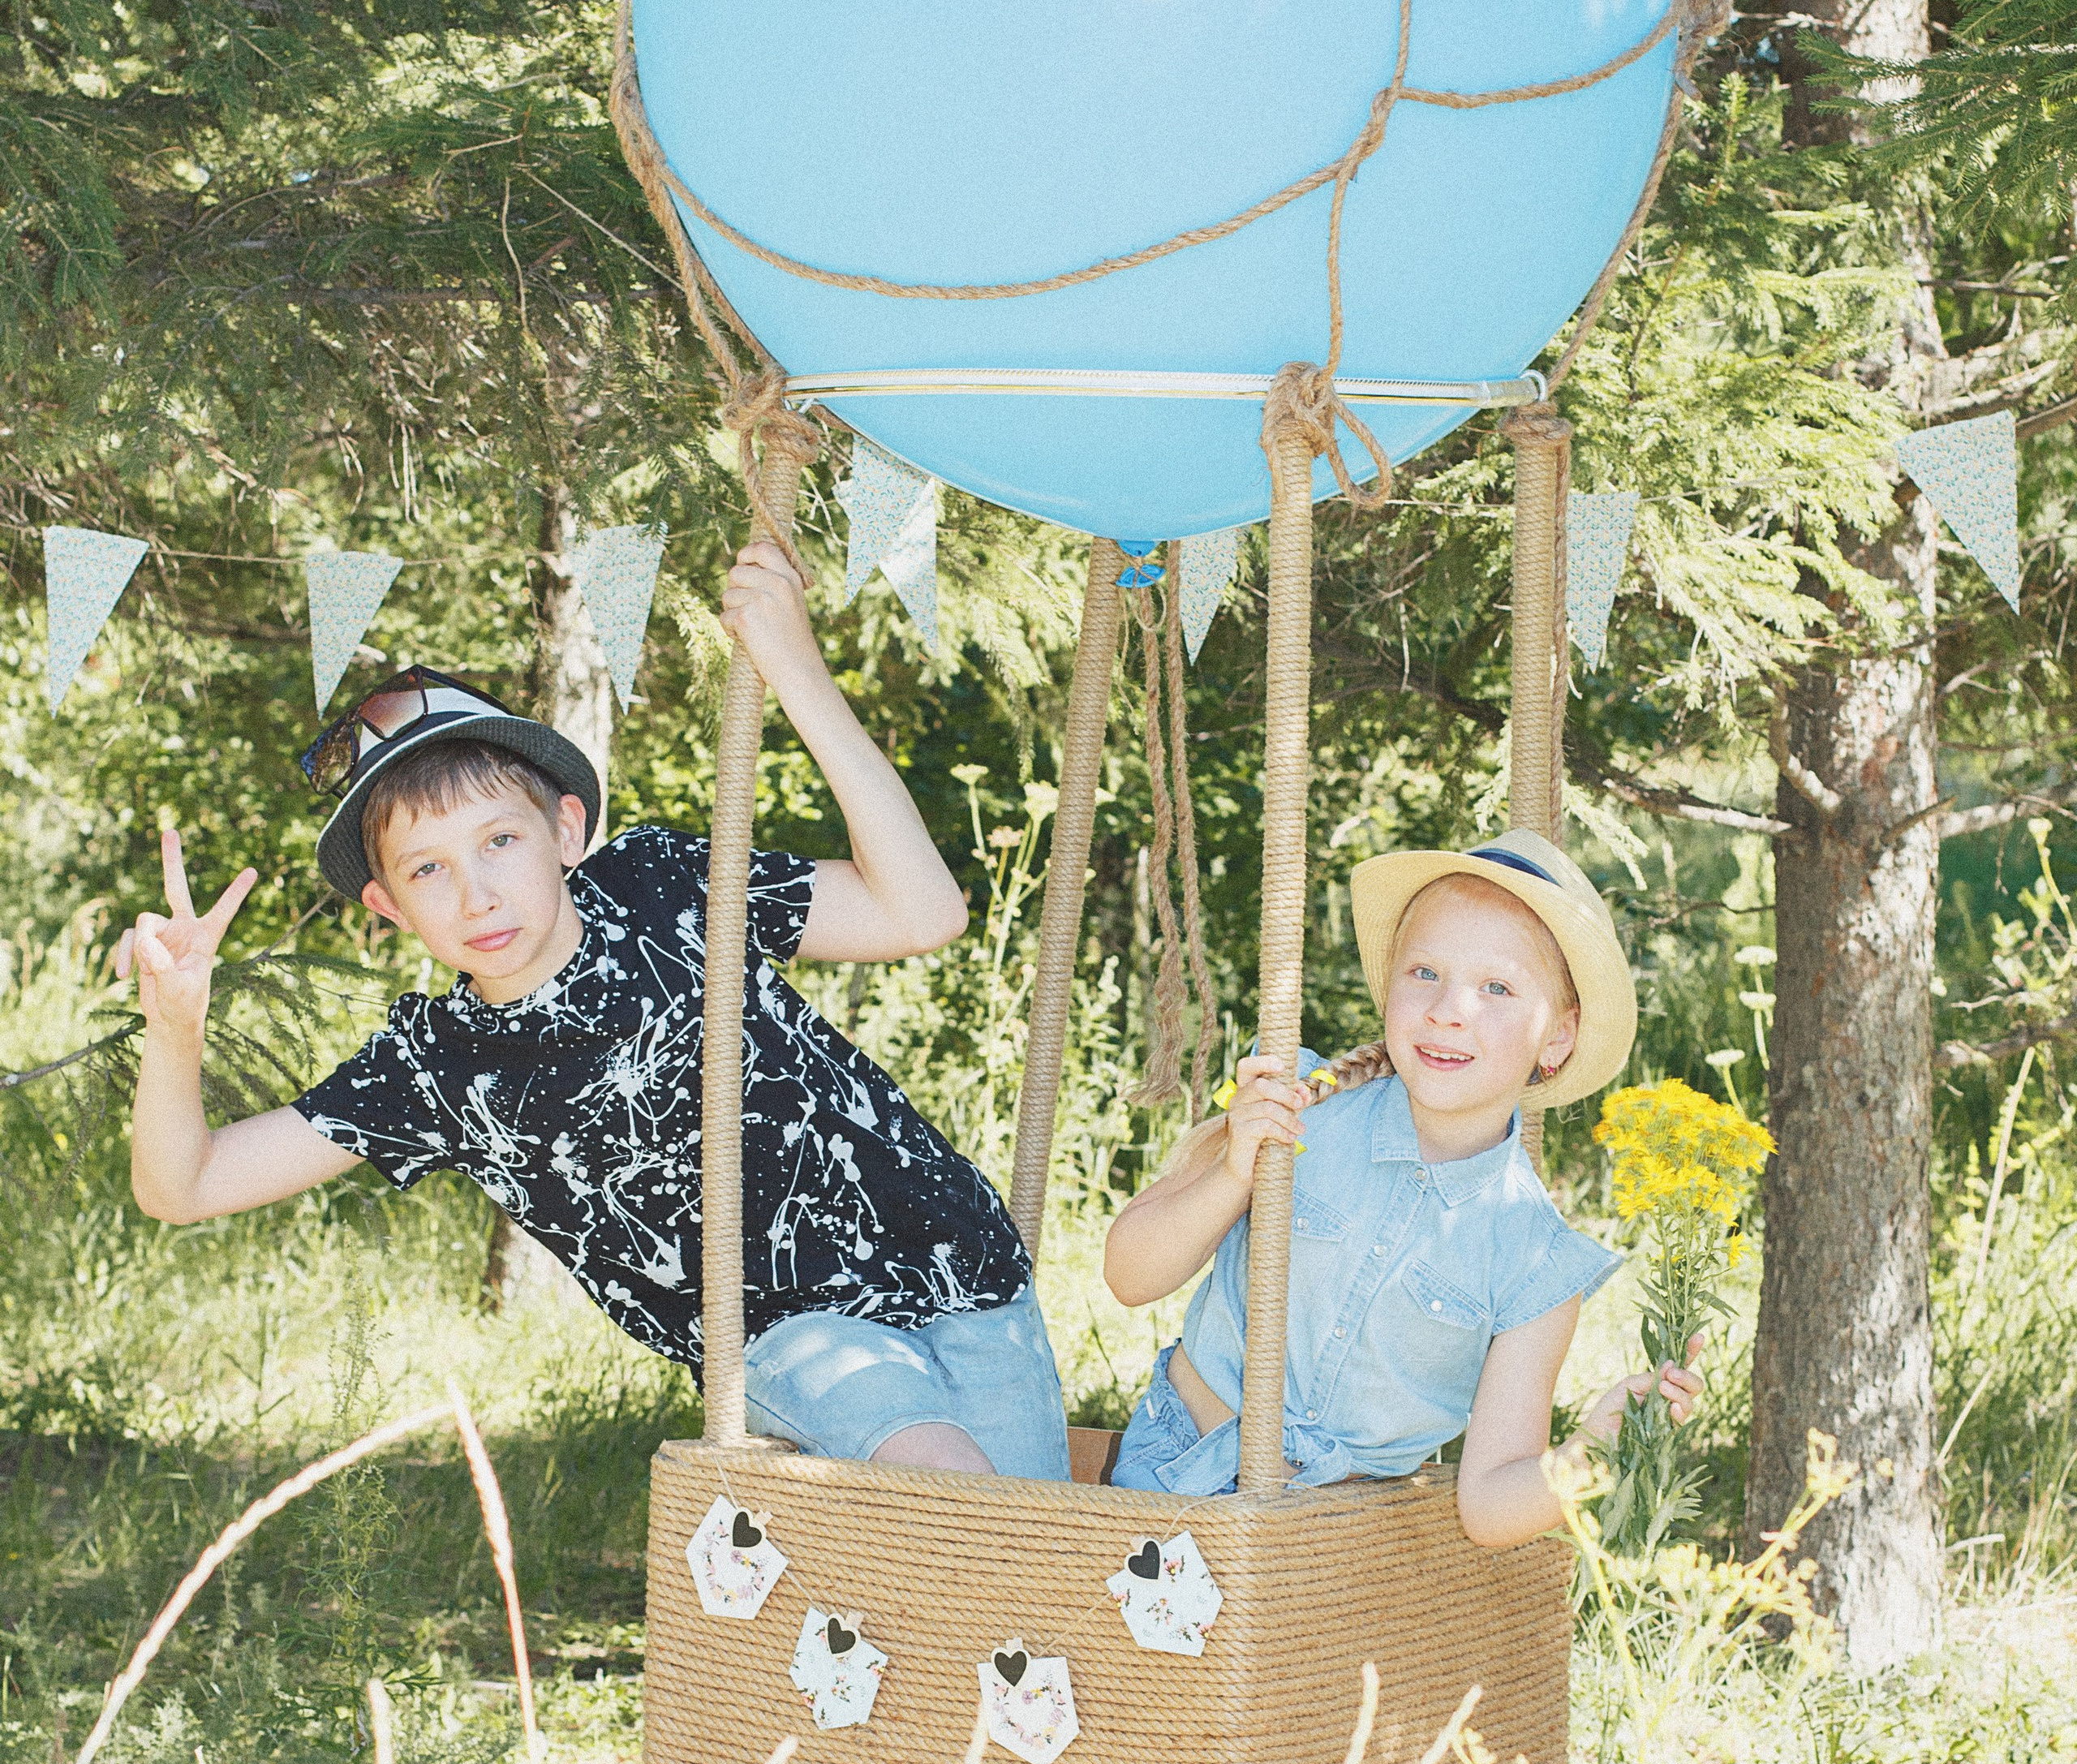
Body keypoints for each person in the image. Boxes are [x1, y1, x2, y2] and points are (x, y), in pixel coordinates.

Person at [117, 538, 1069, 1481]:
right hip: (793, 1333)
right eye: (427, 870)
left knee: (1030, 1549)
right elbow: (183, 1187)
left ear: (565, 830)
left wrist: (797, 670)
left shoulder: (661, 885)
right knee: (946, 1482)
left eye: (499, 840)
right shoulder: (438, 1067)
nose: (476, 894)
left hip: (966, 1264)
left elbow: (922, 913)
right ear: (389, 906)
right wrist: (175, 1026)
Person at [1103, 833, 1699, 1538]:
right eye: (1424, 973)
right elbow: (1129, 1275)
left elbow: (1489, 1507)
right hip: (1173, 1467)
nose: (1449, 1009)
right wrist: (1237, 1168)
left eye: (1497, 988)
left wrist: (1595, 1449)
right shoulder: (1302, 1107)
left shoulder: (1537, 1263)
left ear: (1558, 1039)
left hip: (1331, 1535)